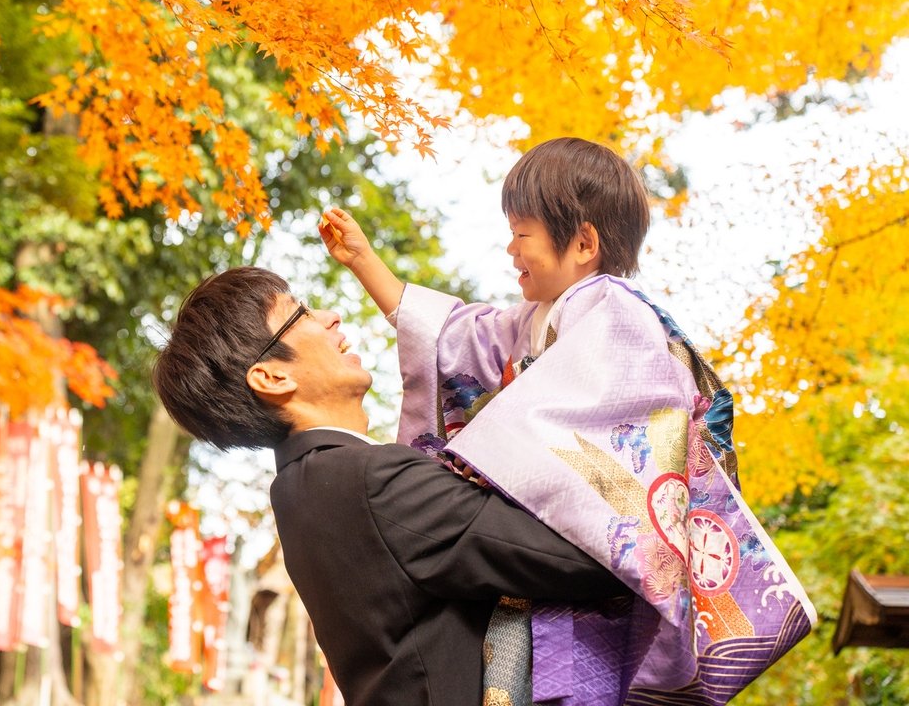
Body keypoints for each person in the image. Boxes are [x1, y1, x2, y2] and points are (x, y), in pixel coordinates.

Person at [319, 137, 816, 704]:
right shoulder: (536, 321)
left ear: (582, 242)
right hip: (557, 546)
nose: (510, 249)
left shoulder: (616, 311)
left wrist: (469, 470)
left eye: (521, 233)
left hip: (603, 544)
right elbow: (451, 341)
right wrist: (364, 260)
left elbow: (601, 422)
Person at [152, 265, 631, 706]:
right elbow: (589, 556)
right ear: (272, 377)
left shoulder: (302, 490)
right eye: (299, 314)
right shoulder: (365, 482)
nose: (330, 317)